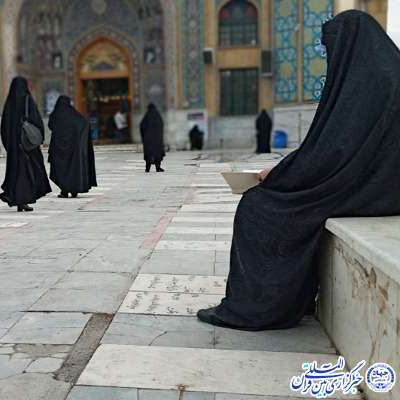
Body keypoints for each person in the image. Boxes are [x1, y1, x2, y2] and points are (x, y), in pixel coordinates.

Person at [196, 10, 400, 331]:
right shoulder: (385, 73)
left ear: (348, 45)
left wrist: (279, 175)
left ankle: (258, 308)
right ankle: (294, 299)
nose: (329, 57)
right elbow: (336, 149)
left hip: (365, 191)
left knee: (257, 207)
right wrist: (287, 170)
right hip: (380, 188)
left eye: (331, 48)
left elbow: (332, 153)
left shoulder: (365, 84)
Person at [0, 77, 51, 212]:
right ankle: (24, 200)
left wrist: (9, 145)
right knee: (28, 172)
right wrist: (39, 140)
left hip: (15, 148)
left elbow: (4, 127)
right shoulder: (27, 100)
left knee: (17, 173)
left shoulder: (9, 104)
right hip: (28, 145)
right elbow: (36, 120)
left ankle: (18, 200)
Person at [48, 95, 97, 198]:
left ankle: (64, 191)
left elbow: (50, 126)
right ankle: (74, 190)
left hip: (58, 149)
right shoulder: (74, 115)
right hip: (73, 148)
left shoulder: (55, 115)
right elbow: (84, 123)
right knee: (73, 168)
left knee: (60, 169)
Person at [140, 103, 165, 173]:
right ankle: (158, 168)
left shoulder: (147, 116)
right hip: (157, 139)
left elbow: (141, 126)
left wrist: (143, 136)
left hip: (148, 140)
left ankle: (147, 168)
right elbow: (161, 125)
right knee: (157, 153)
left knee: (149, 153)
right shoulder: (157, 115)